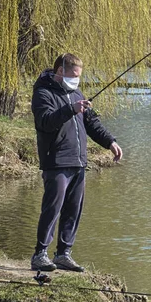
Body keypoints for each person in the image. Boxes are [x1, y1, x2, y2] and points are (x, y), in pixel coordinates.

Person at [30, 53, 122, 272]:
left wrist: (110, 142)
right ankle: (39, 254)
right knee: (53, 208)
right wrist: (70, 109)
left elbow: (92, 123)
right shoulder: (43, 93)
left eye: (79, 76)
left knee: (73, 209)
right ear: (60, 71)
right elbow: (45, 122)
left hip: (78, 161)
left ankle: (63, 254)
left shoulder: (76, 93)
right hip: (56, 161)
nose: (77, 80)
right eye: (74, 75)